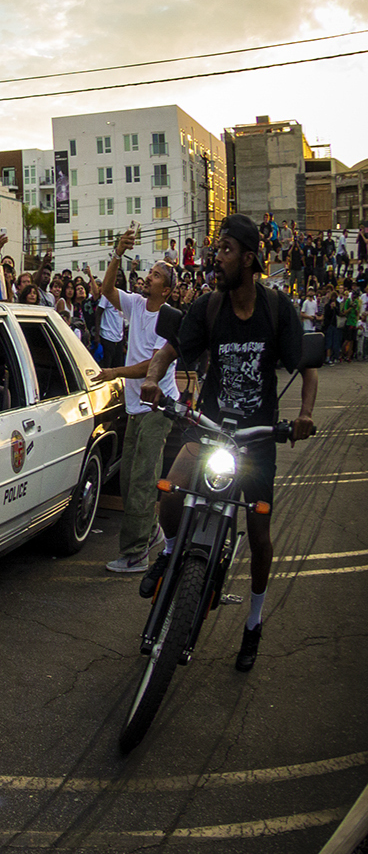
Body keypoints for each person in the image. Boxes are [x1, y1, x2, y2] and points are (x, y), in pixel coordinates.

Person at [137, 215, 317, 673]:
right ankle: (171, 553)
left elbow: (307, 366)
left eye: (227, 250)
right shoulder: (208, 308)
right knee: (172, 491)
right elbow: (169, 351)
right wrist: (154, 381)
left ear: (251, 259)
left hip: (257, 439)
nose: (218, 257)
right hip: (213, 429)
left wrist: (304, 415)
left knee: (259, 536)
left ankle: (253, 623)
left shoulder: (277, 310)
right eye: (218, 249)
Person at [92, 231, 180, 577]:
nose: (148, 277)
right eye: (150, 273)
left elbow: (152, 366)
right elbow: (106, 290)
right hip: (134, 407)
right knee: (129, 479)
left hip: (157, 408)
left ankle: (135, 553)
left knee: (143, 480)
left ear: (167, 289)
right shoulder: (137, 304)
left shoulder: (168, 317)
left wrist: (114, 371)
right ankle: (152, 531)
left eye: (156, 275)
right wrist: (117, 253)